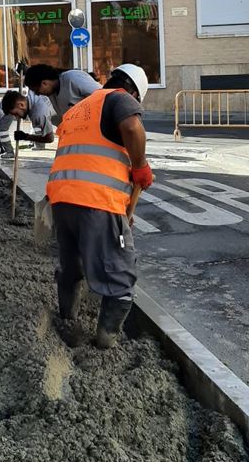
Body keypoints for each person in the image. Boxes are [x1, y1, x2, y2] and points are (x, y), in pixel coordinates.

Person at [45, 64, 154, 350]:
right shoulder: (120, 98)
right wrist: (140, 166)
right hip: (96, 201)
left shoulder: (78, 108)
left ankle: (67, 319)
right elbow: (132, 127)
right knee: (120, 276)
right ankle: (106, 340)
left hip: (62, 199)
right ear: (134, 92)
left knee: (72, 267)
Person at [23, 64, 101, 125]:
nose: (37, 94)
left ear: (44, 83)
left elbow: (102, 95)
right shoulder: (52, 95)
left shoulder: (72, 78)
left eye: (37, 90)